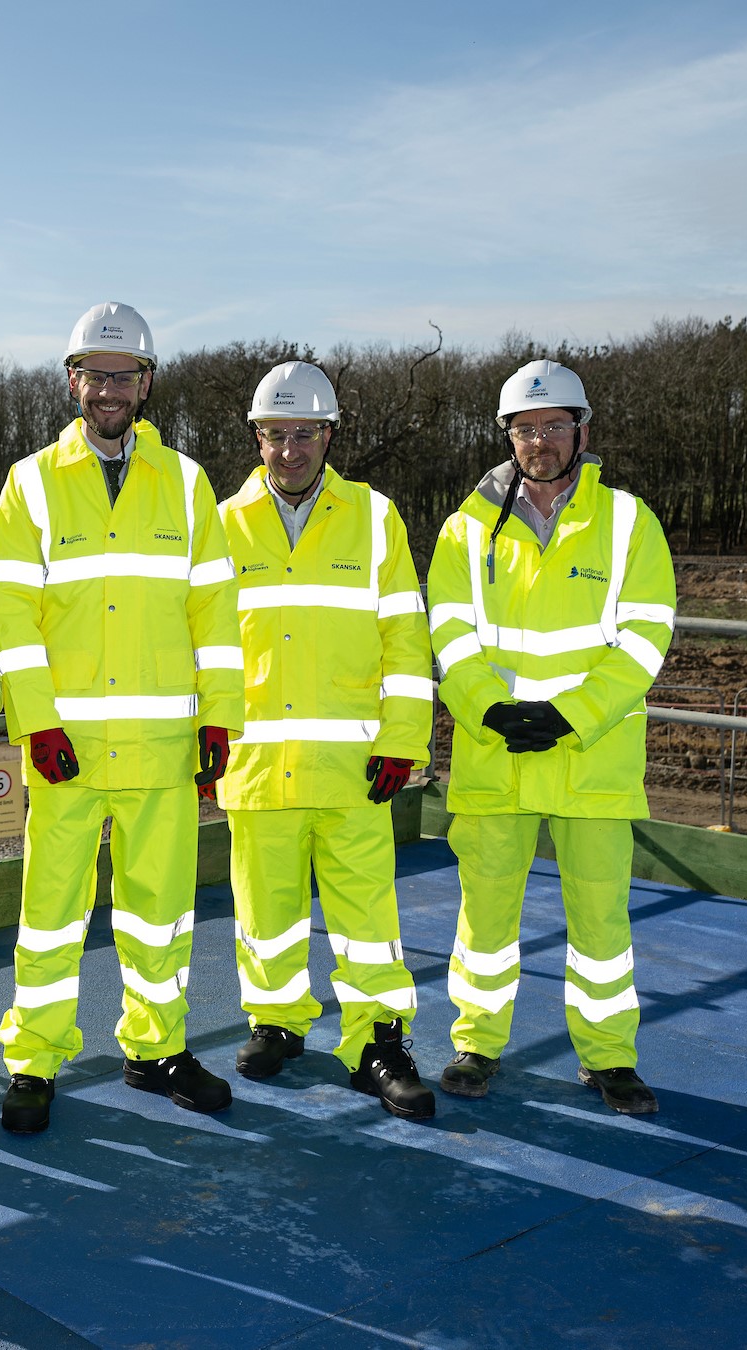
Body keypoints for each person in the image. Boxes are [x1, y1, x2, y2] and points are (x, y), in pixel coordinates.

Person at [0, 302, 243, 1133]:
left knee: (158, 911)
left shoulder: (187, 482)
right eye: (94, 374)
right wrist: (37, 722)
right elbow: (11, 615)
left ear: (146, 384)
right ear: (73, 382)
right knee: (52, 911)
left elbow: (214, 610)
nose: (108, 389)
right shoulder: (30, 482)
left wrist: (219, 718)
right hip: (66, 751)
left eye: (123, 375)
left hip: (164, 748)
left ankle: (156, 1047)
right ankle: (33, 1060)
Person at [425, 359, 677, 1116]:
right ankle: (476, 1043)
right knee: (487, 919)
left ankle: (610, 1059)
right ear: (507, 436)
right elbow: (448, 634)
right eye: (525, 429)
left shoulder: (630, 523)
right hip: (496, 754)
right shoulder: (465, 528)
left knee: (601, 922)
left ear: (582, 432)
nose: (539, 442)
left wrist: (571, 715)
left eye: (554, 427)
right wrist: (491, 709)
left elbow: (644, 639)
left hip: (588, 758)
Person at [214, 361, 436, 1118]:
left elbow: (406, 637)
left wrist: (404, 738)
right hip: (258, 765)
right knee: (264, 911)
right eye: (274, 435)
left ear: (329, 434)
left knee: (368, 918)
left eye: (303, 433)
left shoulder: (375, 518)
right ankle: (275, 1021)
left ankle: (377, 1043)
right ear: (257, 437)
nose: (289, 450)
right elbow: (203, 645)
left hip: (353, 769)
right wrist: (203, 737)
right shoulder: (221, 523)